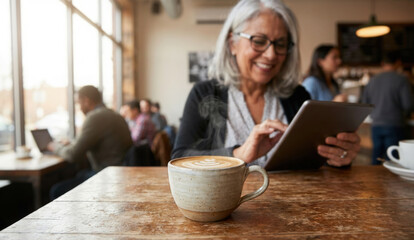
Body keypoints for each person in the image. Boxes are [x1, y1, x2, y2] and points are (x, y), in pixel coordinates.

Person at [172, 0, 361, 168]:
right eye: (259, 41)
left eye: (280, 44)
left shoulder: (297, 96)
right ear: (233, 44)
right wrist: (239, 155)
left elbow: (316, 162)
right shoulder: (205, 93)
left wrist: (340, 157)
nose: (271, 55)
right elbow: (180, 159)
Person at [47, 85, 132, 199]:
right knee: (80, 174)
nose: (79, 107)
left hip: (107, 176)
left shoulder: (95, 117)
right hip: (120, 173)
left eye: (79, 103)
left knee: (56, 191)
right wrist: (72, 143)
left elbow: (73, 155)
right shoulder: (113, 114)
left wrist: (54, 147)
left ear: (86, 101)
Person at [361, 51, 414, 165]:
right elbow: (408, 105)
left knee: (376, 158)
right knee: (393, 160)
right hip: (394, 124)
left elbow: (364, 103)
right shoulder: (402, 80)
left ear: (382, 63)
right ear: (398, 63)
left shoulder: (372, 80)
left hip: (376, 124)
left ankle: (375, 183)